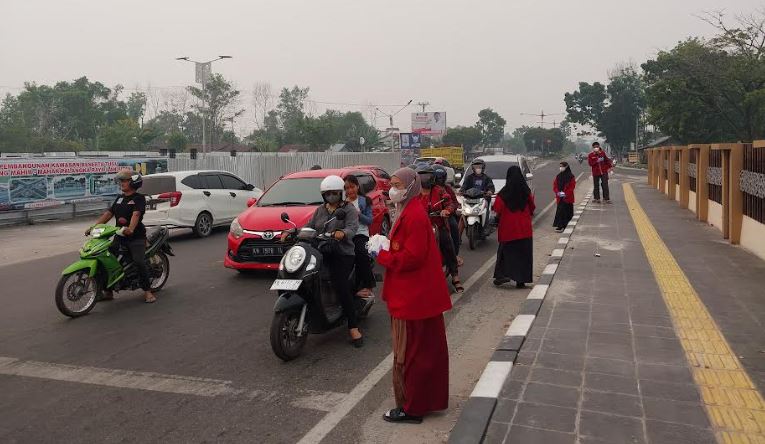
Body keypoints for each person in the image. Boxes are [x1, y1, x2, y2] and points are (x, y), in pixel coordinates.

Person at [375, 167, 452, 424]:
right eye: (391, 184)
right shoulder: (409, 210)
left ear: (409, 187)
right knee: (425, 353)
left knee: (414, 355)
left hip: (414, 297)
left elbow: (412, 257)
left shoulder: (415, 215)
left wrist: (381, 255)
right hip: (419, 295)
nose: (392, 189)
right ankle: (424, 401)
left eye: (397, 185)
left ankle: (413, 408)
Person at [304, 175, 363, 347]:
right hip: (322, 250)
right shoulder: (320, 210)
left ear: (341, 193)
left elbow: (352, 227)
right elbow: (310, 226)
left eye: (334, 193)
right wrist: (292, 232)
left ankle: (353, 327)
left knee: (340, 284)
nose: (331, 196)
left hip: (342, 252)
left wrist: (342, 233)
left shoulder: (349, 208)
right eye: (327, 193)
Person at [86, 170, 155, 303]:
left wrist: (131, 229)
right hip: (120, 236)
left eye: (125, 181)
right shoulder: (120, 198)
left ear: (133, 182)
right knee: (105, 260)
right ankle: (108, 291)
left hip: (136, 237)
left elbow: (136, 214)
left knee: (139, 262)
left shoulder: (138, 198)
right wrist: (93, 227)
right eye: (121, 181)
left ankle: (148, 291)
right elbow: (108, 214)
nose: (122, 183)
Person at [416, 165, 463, 292]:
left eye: (427, 176)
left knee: (448, 245)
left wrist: (446, 210)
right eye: (422, 176)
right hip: (420, 227)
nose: (425, 179)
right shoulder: (414, 193)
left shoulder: (440, 191)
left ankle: (455, 276)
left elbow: (450, 203)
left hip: (437, 226)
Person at [493, 166, 535, 288]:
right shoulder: (526, 192)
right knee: (523, 254)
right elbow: (532, 207)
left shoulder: (503, 193)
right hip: (524, 229)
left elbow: (497, 209)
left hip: (508, 229)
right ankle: (521, 281)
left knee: (506, 252)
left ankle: (502, 275)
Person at [344, 175, 376, 298]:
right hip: (346, 235)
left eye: (352, 187)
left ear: (357, 186)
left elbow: (369, 221)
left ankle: (368, 285)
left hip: (360, 234)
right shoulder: (343, 203)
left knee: (360, 254)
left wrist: (358, 214)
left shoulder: (364, 201)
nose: (350, 190)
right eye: (347, 188)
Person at [433, 165, 462, 264]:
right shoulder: (427, 190)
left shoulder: (448, 189)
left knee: (454, 226)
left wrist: (448, 210)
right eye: (438, 178)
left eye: (442, 178)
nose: (440, 180)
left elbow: (453, 202)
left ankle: (455, 255)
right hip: (431, 217)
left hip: (445, 217)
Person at [459, 159, 495, 238]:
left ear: (483, 168)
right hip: (469, 199)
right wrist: (461, 191)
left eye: (479, 167)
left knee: (486, 212)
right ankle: (459, 236)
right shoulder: (469, 178)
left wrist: (489, 191)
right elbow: (464, 186)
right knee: (462, 214)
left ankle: (485, 227)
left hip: (483, 199)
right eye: (476, 167)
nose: (478, 168)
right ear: (473, 168)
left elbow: (491, 187)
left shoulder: (487, 178)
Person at [553, 162, 576, 232]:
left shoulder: (571, 176)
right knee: (560, 211)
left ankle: (565, 226)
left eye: (562, 166)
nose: (561, 168)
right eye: (560, 166)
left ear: (566, 167)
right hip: (560, 197)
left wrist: (565, 193)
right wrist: (558, 192)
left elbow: (572, 187)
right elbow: (555, 186)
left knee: (567, 212)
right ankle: (560, 226)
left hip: (567, 197)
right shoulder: (558, 176)